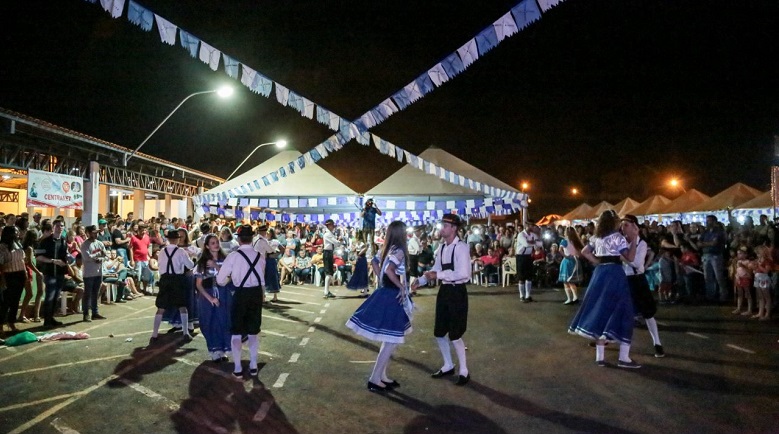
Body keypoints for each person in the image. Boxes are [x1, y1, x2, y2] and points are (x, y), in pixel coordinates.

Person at [568, 210, 641, 368]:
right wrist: (634, 239)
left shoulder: (596, 237)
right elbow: (630, 258)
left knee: (601, 309)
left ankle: (600, 357)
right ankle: (624, 358)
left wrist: (597, 262)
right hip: (614, 273)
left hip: (600, 273)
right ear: (614, 221)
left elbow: (585, 251)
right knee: (624, 311)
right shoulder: (617, 237)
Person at [346, 221, 412, 392]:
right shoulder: (399, 250)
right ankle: (375, 378)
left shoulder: (388, 248)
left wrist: (385, 281)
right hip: (391, 297)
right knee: (391, 340)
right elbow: (390, 270)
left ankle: (381, 376)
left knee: (389, 340)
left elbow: (375, 263)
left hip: (385, 293)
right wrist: (401, 286)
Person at [413, 214, 472, 386]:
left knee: (455, 334)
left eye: (445, 225)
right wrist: (422, 280)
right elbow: (436, 268)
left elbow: (464, 274)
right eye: (442, 225)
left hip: (457, 292)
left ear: (454, 228)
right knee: (439, 332)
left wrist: (438, 275)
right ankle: (448, 365)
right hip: (445, 290)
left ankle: (464, 370)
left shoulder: (461, 247)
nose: (441, 228)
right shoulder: (442, 247)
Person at [217, 225, 266, 379]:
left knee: (236, 332)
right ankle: (253, 365)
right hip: (256, 293)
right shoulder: (260, 256)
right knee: (253, 331)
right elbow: (262, 279)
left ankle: (238, 367)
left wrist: (230, 278)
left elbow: (220, 280)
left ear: (238, 239)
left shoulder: (233, 256)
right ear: (252, 238)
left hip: (240, 293)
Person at [620, 215, 664, 358]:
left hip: (637, 280)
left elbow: (637, 263)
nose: (623, 228)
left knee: (648, 314)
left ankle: (657, 343)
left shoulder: (641, 244)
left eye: (626, 225)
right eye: (622, 225)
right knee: (618, 312)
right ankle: (605, 338)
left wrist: (622, 258)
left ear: (634, 227)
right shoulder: (620, 242)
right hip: (623, 280)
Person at [150, 230, 196, 344]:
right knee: (182, 306)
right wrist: (193, 260)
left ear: (168, 239)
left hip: (165, 279)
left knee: (161, 307)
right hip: (177, 280)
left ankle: (154, 335)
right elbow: (190, 265)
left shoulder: (161, 252)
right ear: (177, 239)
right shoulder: (181, 251)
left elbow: (160, 266)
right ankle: (185, 333)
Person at [195, 234, 232, 362]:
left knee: (224, 321)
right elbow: (198, 285)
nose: (216, 245)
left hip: (223, 293)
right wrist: (210, 298)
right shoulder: (202, 262)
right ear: (206, 246)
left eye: (217, 242)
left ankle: (222, 350)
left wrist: (215, 265)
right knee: (209, 322)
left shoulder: (225, 259)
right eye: (212, 243)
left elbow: (229, 276)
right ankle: (214, 350)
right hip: (207, 295)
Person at [36, 220, 69, 329]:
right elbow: (38, 256)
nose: (60, 228)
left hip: (59, 273)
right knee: (49, 297)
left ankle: (51, 318)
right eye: (58, 226)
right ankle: (46, 320)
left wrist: (66, 262)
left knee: (56, 297)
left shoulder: (64, 241)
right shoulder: (45, 241)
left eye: (62, 226)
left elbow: (65, 256)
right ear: (53, 227)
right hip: (49, 273)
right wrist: (53, 261)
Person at [0, 225, 27, 335]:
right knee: (5, 302)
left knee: (16, 301)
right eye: (15, 232)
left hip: (20, 274)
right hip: (9, 275)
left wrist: (25, 274)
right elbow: (0, 264)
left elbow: (22, 260)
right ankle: (1, 325)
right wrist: (2, 279)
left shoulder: (18, 244)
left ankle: (11, 322)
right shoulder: (2, 247)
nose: (17, 233)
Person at [698, 215, 729, 303]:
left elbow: (714, 243)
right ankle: (710, 295)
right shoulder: (705, 232)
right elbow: (699, 243)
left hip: (716, 255)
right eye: (707, 220)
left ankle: (723, 295)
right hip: (706, 255)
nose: (707, 222)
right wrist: (708, 243)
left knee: (719, 276)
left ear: (714, 221)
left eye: (709, 221)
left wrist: (704, 244)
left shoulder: (719, 232)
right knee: (708, 277)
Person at [80, 225, 108, 322]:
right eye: (93, 232)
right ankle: (86, 313)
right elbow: (87, 257)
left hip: (98, 272)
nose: (95, 234)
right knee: (87, 294)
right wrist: (97, 255)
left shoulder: (99, 243)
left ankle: (95, 312)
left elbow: (105, 255)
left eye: (96, 232)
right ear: (88, 233)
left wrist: (99, 258)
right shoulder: (85, 245)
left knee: (95, 293)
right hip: (88, 273)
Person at [515, 222, 542, 302]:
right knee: (521, 277)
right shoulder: (521, 235)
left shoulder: (533, 235)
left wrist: (533, 242)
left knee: (529, 276)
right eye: (531, 225)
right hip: (521, 256)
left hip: (528, 256)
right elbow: (526, 244)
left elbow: (540, 244)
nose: (533, 227)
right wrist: (534, 242)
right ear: (527, 226)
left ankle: (528, 296)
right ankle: (521, 296)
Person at [253, 225, 280, 303]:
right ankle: (262, 298)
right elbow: (269, 250)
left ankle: (257, 296)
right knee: (261, 280)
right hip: (260, 261)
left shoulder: (255, 239)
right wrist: (274, 250)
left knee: (255, 279)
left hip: (252, 261)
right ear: (264, 232)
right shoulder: (263, 241)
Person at [559, 227, 584, 304]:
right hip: (575, 260)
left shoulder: (564, 241)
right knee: (572, 281)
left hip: (567, 261)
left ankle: (569, 299)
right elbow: (581, 251)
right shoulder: (576, 241)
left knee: (566, 281)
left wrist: (565, 256)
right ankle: (575, 297)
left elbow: (560, 250)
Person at [322, 219, 341, 299]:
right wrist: (339, 240)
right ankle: (326, 291)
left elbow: (336, 244)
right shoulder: (327, 234)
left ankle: (327, 291)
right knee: (328, 272)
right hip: (327, 253)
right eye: (332, 225)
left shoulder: (330, 233)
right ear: (329, 226)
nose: (333, 227)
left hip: (329, 253)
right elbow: (336, 243)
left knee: (330, 272)